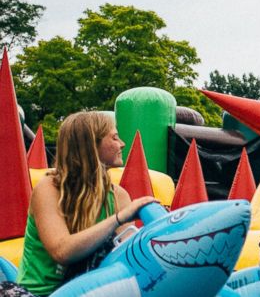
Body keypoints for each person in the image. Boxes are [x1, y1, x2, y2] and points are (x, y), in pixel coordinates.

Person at [7, 112, 156, 297]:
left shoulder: (118, 196)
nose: (122, 144)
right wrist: (117, 219)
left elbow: (127, 258)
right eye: (115, 137)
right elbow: (61, 251)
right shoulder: (49, 188)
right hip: (38, 294)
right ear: (92, 145)